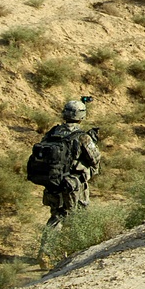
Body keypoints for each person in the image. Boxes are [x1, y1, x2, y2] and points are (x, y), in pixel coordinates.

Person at [39, 99, 101, 230]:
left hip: (53, 182)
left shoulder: (52, 133)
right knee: (79, 216)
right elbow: (95, 158)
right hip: (73, 184)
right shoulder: (82, 136)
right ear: (81, 117)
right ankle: (77, 247)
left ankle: (47, 248)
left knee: (56, 216)